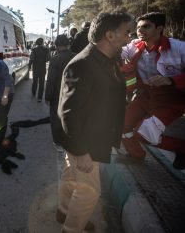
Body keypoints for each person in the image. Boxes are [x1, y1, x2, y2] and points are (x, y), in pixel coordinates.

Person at [57, 12, 131, 232]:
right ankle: (71, 229)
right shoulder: (83, 64)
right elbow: (68, 112)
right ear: (109, 35)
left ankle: (62, 211)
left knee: (71, 175)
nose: (130, 37)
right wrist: (81, 152)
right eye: (127, 32)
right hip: (85, 142)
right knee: (89, 192)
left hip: (93, 136)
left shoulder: (108, 59)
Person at [119, 12, 185, 169]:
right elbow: (116, 51)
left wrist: (171, 80)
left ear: (160, 28)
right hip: (144, 96)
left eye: (146, 26)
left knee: (146, 132)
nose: (140, 30)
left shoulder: (179, 48)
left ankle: (182, 148)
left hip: (170, 99)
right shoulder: (134, 46)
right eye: (139, 27)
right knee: (121, 125)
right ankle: (136, 155)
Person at [44, 35, 75, 150]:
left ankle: (58, 142)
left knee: (56, 118)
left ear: (56, 46)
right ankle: (69, 140)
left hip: (58, 94)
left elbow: (50, 80)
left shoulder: (55, 60)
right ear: (68, 45)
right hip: (73, 93)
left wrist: (47, 96)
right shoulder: (76, 57)